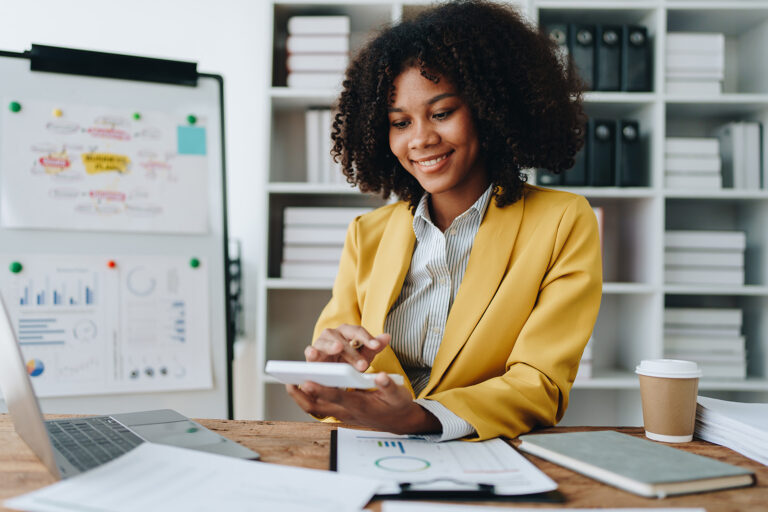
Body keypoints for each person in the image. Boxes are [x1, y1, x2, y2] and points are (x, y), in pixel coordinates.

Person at [286, 0, 602, 441]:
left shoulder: (562, 221)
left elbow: (541, 385)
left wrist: (419, 417)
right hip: (371, 446)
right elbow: (335, 366)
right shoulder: (367, 235)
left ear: (490, 110)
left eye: (441, 113)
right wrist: (329, 373)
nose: (421, 139)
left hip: (485, 452)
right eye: (399, 122)